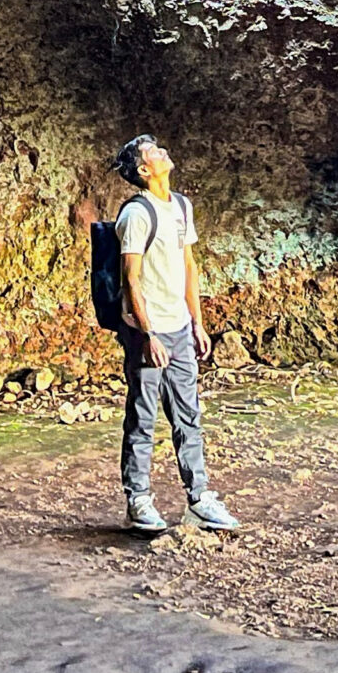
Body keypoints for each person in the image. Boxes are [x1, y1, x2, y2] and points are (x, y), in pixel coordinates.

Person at [111, 133, 240, 533]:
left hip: (180, 328)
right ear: (143, 170)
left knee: (189, 416)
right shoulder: (136, 215)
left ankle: (199, 499)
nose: (163, 151)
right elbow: (131, 278)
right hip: (146, 332)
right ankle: (139, 500)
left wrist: (197, 322)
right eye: (153, 152)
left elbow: (189, 268)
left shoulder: (181, 206)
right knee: (143, 417)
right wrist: (147, 334)